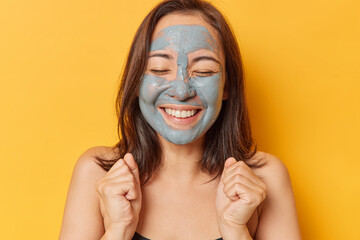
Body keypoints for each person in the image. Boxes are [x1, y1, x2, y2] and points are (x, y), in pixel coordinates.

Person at [59, 0, 301, 239]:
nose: (181, 90)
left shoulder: (266, 179)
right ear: (136, 83)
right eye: (159, 69)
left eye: (204, 71)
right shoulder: (97, 173)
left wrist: (236, 231)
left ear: (227, 86)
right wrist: (118, 230)